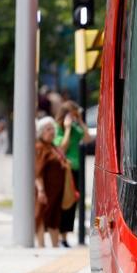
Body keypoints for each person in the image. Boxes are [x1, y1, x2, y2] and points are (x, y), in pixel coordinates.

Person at [55, 101, 90, 247]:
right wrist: (68, 128)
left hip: (77, 168)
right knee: (65, 201)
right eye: (73, 113)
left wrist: (80, 121)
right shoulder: (59, 128)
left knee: (74, 202)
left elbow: (87, 139)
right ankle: (60, 236)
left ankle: (66, 236)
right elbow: (62, 147)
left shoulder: (77, 126)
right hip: (66, 169)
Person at [34, 116, 69, 248]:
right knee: (41, 217)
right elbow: (37, 171)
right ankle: (41, 246)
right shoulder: (40, 147)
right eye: (48, 129)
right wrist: (41, 190)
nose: (52, 132)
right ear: (41, 131)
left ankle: (55, 246)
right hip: (45, 190)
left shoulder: (52, 146)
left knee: (54, 217)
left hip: (55, 191)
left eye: (53, 129)